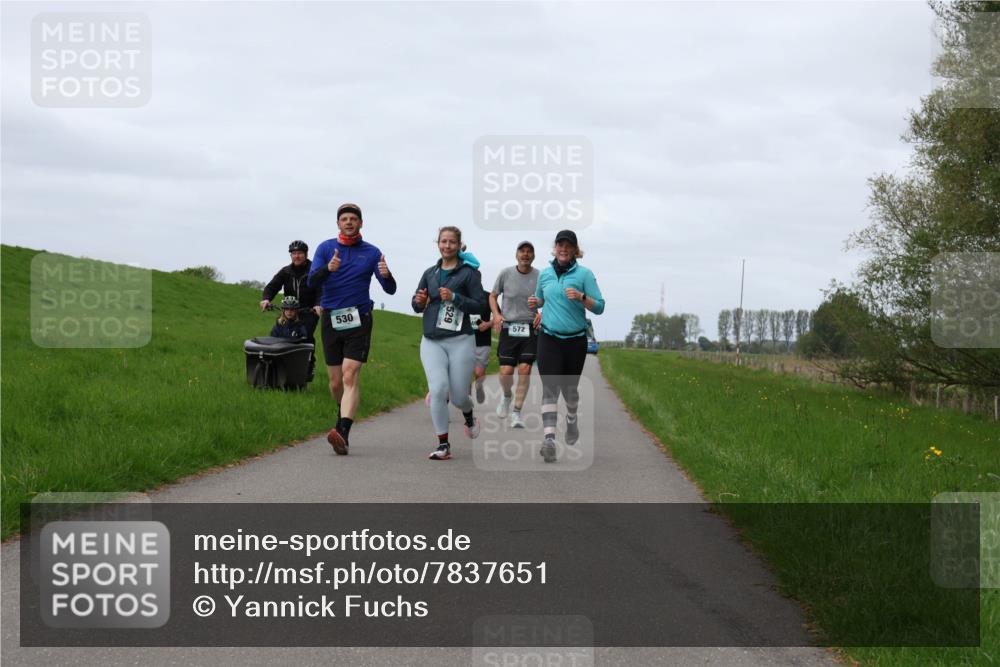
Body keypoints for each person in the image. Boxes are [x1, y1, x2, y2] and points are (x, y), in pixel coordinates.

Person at [308, 203, 396, 455]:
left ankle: (343, 432)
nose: (348, 222)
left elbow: (390, 289)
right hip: (331, 319)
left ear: (360, 223)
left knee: (350, 375)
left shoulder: (371, 252)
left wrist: (387, 274)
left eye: (353, 219)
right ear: (338, 224)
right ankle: (342, 414)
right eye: (344, 219)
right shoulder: (325, 248)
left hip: (359, 317)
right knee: (335, 383)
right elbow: (312, 281)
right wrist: (328, 269)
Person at [412, 227, 488, 460]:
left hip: (461, 340)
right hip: (432, 339)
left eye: (452, 242)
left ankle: (468, 413)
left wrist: (455, 298)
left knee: (457, 397)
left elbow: (479, 304)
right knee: (438, 390)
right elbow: (416, 304)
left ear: (459, 245)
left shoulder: (469, 274)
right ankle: (443, 444)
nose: (447, 246)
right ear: (438, 243)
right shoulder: (430, 273)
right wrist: (419, 300)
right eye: (443, 241)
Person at [530, 230, 605, 463]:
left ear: (574, 250)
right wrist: (537, 305)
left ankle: (571, 419)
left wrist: (582, 297)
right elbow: (541, 298)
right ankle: (549, 440)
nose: (563, 249)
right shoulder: (545, 274)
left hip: (575, 340)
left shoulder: (584, 274)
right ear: (555, 248)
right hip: (549, 337)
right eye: (559, 245)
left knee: (569, 391)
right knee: (550, 387)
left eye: (568, 245)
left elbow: (600, 307)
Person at [490, 240, 541, 427]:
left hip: (530, 328)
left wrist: (542, 314)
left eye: (529, 251)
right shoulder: (506, 273)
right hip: (509, 326)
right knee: (506, 371)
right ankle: (506, 396)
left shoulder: (540, 276)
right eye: (522, 251)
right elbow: (493, 295)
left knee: (525, 369)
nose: (525, 254)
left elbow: (548, 299)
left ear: (533, 256)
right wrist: (496, 315)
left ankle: (517, 413)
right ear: (516, 255)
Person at [261, 240, 321, 378]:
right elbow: (272, 286)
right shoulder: (286, 271)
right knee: (281, 335)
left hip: (309, 311)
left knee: (305, 336)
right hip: (289, 310)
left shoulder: (314, 270)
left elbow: (320, 289)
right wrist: (266, 299)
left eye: (300, 253)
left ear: (306, 254)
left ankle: (309, 363)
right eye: (293, 253)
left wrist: (318, 304)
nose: (296, 256)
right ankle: (283, 367)